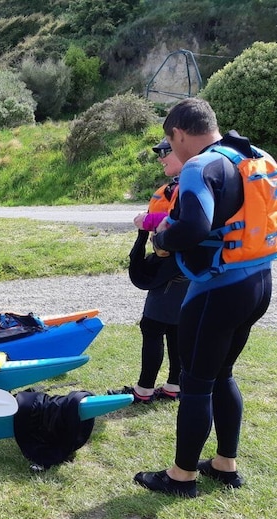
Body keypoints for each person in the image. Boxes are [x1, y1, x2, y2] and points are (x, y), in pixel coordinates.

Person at [134, 98, 273, 497]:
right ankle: (224, 464)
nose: (170, 149)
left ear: (179, 133)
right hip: (259, 282)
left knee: (196, 383)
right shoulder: (255, 156)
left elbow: (192, 225)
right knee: (223, 374)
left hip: (218, 288)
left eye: (169, 140)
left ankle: (181, 477)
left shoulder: (200, 165)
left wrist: (161, 240)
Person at [108, 139, 189, 403]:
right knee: (176, 328)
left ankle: (143, 391)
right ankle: (174, 386)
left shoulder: (189, 183)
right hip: (184, 268)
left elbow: (181, 222)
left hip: (172, 269)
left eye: (166, 152)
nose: (161, 157)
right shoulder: (186, 182)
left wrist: (148, 221)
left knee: (152, 326)